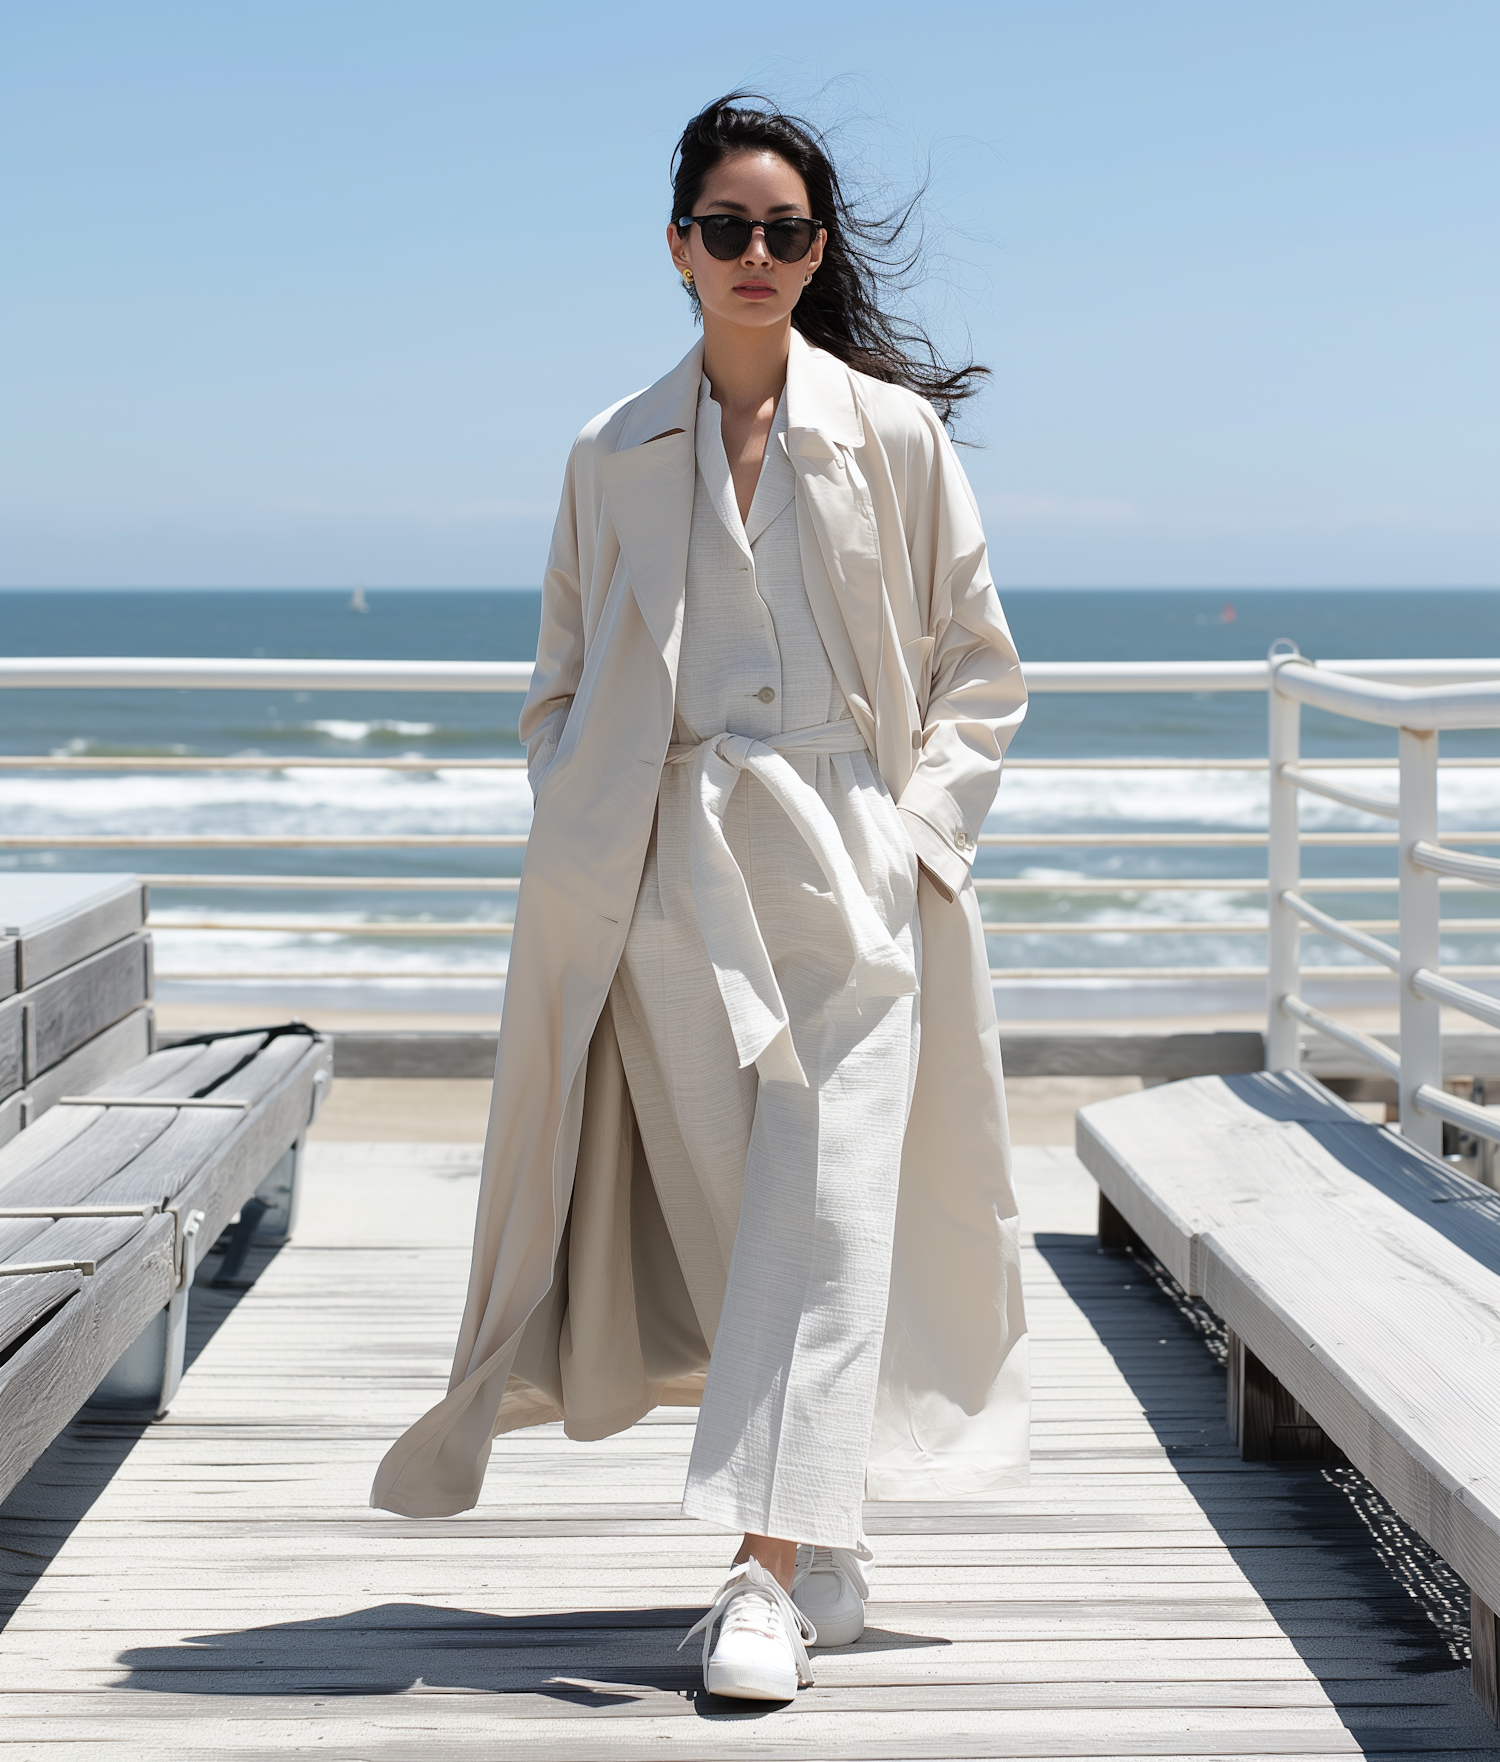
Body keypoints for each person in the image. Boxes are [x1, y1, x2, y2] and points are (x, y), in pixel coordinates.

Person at [372, 93, 1030, 1703]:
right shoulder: (611, 451)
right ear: (678, 246)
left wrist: (914, 839)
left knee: (828, 1202)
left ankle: (759, 1575)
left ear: (815, 253)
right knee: (753, 1222)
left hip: (850, 877)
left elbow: (984, 676)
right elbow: (560, 686)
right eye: (727, 228)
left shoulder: (893, 437)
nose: (756, 255)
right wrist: (595, 822)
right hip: (667, 882)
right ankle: (828, 1534)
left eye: (786, 231)